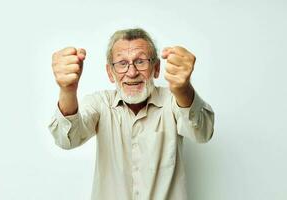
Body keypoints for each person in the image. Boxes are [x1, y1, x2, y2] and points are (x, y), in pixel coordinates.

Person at [48, 28, 214, 200]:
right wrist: (67, 90)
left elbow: (203, 132)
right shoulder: (99, 103)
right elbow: (66, 139)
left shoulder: (173, 101)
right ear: (110, 73)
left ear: (156, 68)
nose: (132, 72)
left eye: (141, 61)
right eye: (122, 63)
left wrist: (184, 89)